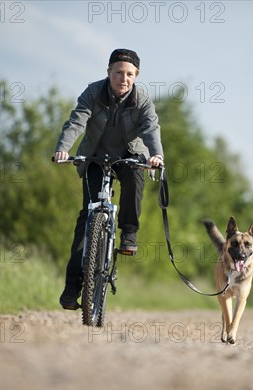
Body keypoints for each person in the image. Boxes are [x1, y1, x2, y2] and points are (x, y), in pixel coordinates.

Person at [53, 48, 164, 310]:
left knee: (136, 176)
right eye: (118, 73)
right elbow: (77, 122)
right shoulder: (93, 93)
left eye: (129, 74)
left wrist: (156, 155)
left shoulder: (143, 100)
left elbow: (150, 128)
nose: (123, 79)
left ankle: (129, 234)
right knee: (86, 219)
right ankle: (72, 288)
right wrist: (63, 148)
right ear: (108, 73)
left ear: (135, 76)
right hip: (94, 157)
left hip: (129, 155)